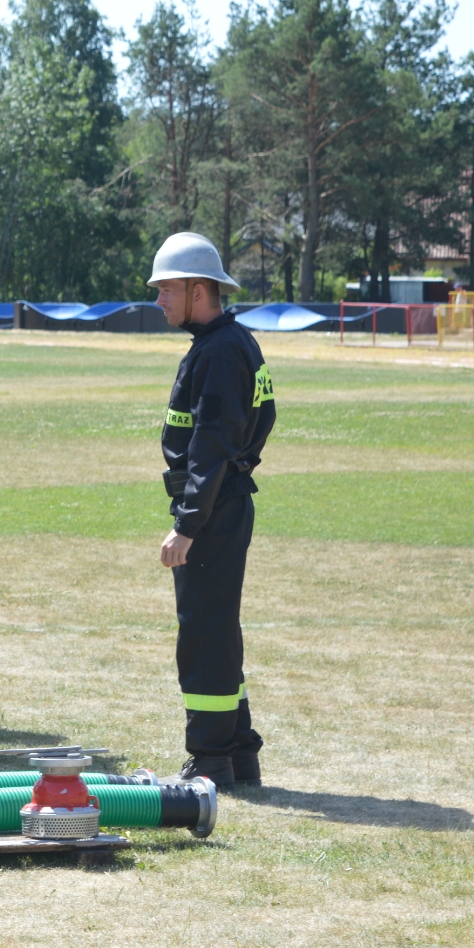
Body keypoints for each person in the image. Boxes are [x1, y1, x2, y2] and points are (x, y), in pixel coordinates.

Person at [151, 232, 275, 790]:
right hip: (223, 500)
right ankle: (237, 752)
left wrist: (187, 525)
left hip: (212, 511)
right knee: (218, 631)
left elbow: (212, 445)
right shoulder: (231, 342)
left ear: (198, 290)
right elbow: (263, 418)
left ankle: (208, 757)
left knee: (203, 635)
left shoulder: (220, 351)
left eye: (167, 289)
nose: (158, 300)